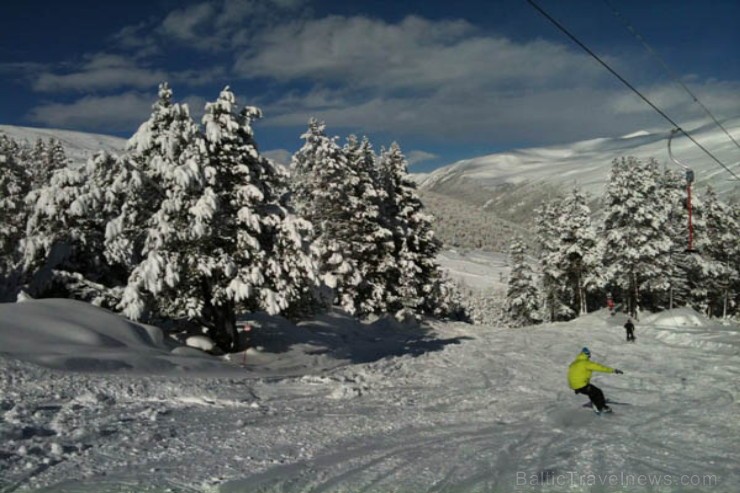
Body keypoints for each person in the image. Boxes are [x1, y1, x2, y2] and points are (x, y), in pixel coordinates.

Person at [568, 347, 623, 413]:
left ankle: (594, 402)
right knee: (598, 392)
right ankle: (601, 407)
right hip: (581, 385)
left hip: (575, 385)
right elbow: (600, 367)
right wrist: (613, 370)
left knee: (592, 392)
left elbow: (571, 374)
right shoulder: (586, 363)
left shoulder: (575, 362)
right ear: (588, 355)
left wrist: (575, 387)